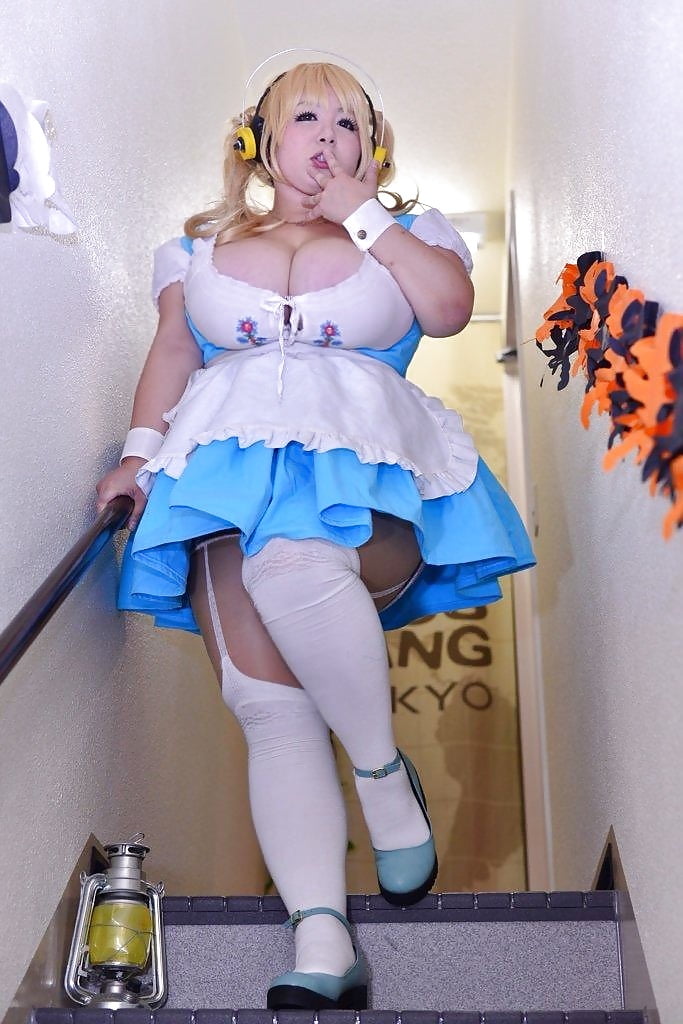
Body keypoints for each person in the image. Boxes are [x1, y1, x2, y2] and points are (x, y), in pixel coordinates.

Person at [96, 60, 535, 1010]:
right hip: (221, 485)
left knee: (292, 561)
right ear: (260, 139)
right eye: (306, 117)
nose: (329, 135)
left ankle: (380, 776)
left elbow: (447, 311)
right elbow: (172, 349)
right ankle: (323, 940)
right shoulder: (198, 248)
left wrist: (365, 215)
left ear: (373, 146)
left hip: (362, 481)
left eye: (349, 122)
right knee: (265, 706)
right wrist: (137, 455)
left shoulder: (410, 231)